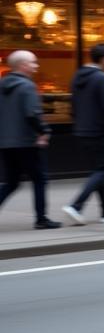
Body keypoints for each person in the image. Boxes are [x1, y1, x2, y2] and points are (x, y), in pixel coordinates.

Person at [0, 50, 61, 229]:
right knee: (40, 179)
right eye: (34, 63)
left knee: (11, 182)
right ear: (23, 65)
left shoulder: (2, 85)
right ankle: (41, 219)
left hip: (6, 142)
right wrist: (43, 131)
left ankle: (41, 218)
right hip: (26, 141)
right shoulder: (27, 86)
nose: (37, 66)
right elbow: (32, 114)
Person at [62, 43, 104, 225]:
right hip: (99, 131)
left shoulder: (77, 77)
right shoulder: (102, 78)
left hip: (82, 130)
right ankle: (76, 205)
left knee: (98, 170)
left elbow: (73, 106)